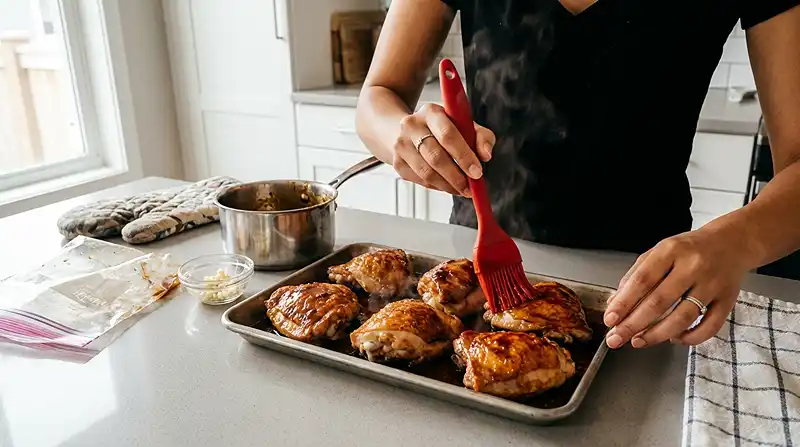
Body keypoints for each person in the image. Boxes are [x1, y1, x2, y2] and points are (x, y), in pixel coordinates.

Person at [355, 0, 800, 350]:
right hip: (475, 266)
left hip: (643, 288)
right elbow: (378, 96)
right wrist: (402, 133)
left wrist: (734, 241)